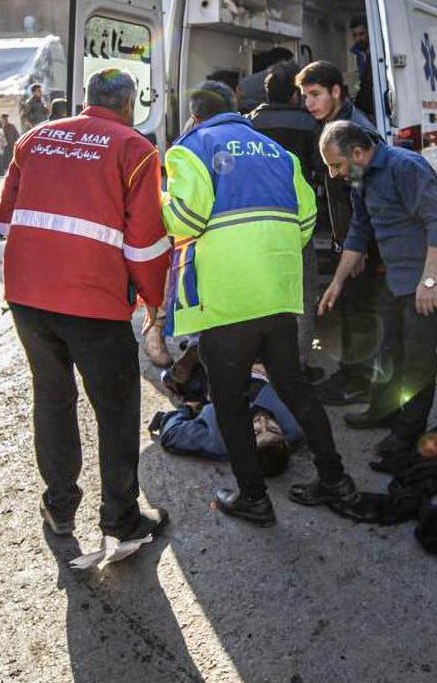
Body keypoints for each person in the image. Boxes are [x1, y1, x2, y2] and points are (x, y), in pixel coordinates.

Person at [164, 80, 355, 526]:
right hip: (278, 295)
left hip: (228, 299)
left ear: (195, 115)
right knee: (295, 388)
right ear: (236, 110)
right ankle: (335, 479)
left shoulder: (190, 148)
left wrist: (160, 202)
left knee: (228, 402)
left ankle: (253, 497)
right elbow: (307, 220)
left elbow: (185, 219)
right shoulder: (275, 151)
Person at [0, 68, 170, 541]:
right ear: (129, 104)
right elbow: (145, 245)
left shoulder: (34, 139)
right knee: (115, 409)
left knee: (52, 398)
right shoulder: (135, 149)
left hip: (28, 297)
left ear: (86, 98)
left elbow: (6, 221)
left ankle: (60, 507)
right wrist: (155, 300)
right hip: (95, 301)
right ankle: (120, 517)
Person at [319, 120, 437, 458]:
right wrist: (337, 282)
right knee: (386, 348)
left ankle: (408, 433)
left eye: (336, 165)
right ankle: (382, 411)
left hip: (431, 276)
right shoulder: (359, 176)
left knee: (417, 358)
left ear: (357, 152)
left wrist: (429, 281)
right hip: (398, 278)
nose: (335, 174)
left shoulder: (404, 167)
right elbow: (359, 229)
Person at [298, 60, 384, 407]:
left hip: (360, 239)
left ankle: (359, 382)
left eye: (315, 94)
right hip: (348, 236)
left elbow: (365, 196)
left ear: (336, 91)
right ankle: (353, 376)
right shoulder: (335, 123)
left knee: (360, 310)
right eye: (305, 96)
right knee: (351, 307)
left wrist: (358, 246)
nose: (309, 103)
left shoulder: (353, 131)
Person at [248, 61, 325, 378]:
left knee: (262, 293)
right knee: (303, 294)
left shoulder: (248, 123)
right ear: (295, 95)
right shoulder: (308, 125)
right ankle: (298, 365)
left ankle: (261, 364)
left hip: (253, 222)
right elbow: (322, 171)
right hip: (295, 222)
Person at [151, 354, 303, 472]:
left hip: (210, 376)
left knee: (183, 378)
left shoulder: (222, 442)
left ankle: (186, 365)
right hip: (255, 360)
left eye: (256, 432)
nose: (262, 421)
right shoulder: (295, 425)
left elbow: (172, 435)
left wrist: (188, 408)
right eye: (272, 428)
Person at [237, 46, 294, 113]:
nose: (293, 65)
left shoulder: (244, 82)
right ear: (283, 61)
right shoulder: (284, 80)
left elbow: (239, 102)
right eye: (291, 62)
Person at [349, 17, 376, 121]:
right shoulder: (353, 54)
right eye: (355, 35)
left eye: (362, 34)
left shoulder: (378, 51)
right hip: (362, 106)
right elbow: (355, 83)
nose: (358, 38)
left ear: (368, 32)